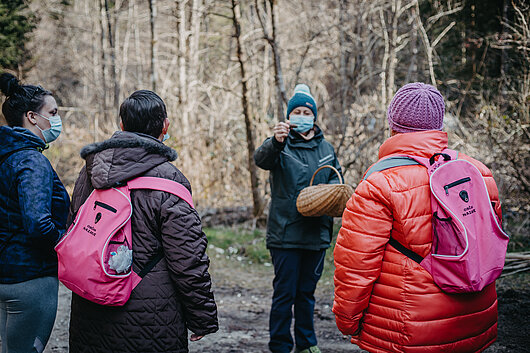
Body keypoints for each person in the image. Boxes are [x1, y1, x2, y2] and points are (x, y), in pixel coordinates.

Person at [333, 82, 502, 352]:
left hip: (408, 329)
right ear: (437, 125)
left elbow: (356, 266)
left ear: (393, 125)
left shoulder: (379, 185)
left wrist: (347, 320)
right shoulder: (478, 174)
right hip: (475, 321)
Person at [67, 90, 218, 353]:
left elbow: (75, 226)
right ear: (165, 126)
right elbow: (187, 258)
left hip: (91, 306)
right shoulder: (171, 180)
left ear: (122, 125)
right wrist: (202, 317)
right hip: (152, 319)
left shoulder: (93, 168)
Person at [254, 84, 343, 353]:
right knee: (285, 294)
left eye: (307, 111)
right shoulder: (281, 145)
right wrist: (275, 141)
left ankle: (307, 343)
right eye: (297, 111)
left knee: (306, 295)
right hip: (285, 235)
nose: (302, 115)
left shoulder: (326, 148)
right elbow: (261, 160)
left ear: (314, 117)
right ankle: (280, 345)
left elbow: (336, 181)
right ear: (290, 116)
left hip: (316, 235)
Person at [0, 73, 70, 353]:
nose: (56, 119)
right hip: (30, 279)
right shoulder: (31, 160)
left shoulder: (5, 154)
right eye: (52, 113)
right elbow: (38, 223)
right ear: (31, 116)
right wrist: (66, 243)